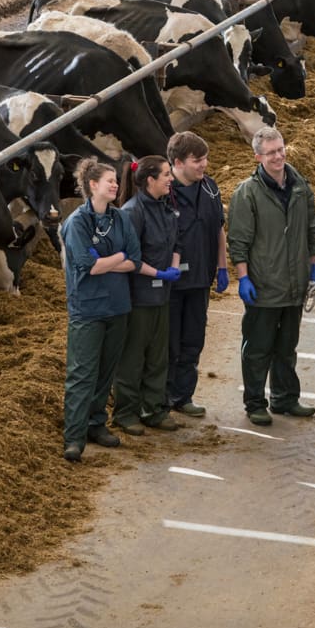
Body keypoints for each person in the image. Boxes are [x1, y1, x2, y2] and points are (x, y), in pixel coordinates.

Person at [228, 126, 315, 426]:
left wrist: (313, 266)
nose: (278, 156)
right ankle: (255, 402)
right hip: (264, 283)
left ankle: (285, 398)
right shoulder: (247, 193)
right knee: (258, 347)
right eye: (271, 153)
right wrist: (243, 278)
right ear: (258, 156)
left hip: (294, 283)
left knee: (287, 345)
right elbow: (238, 240)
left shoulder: (300, 186)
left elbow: (310, 230)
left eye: (281, 149)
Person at [61, 159, 140, 462]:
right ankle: (74, 436)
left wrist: (110, 259)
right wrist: (113, 260)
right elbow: (86, 266)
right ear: (92, 185)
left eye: (116, 181)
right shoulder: (77, 222)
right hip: (88, 309)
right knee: (82, 373)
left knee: (106, 372)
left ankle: (96, 425)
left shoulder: (120, 219)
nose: (115, 185)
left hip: (118, 307)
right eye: (109, 181)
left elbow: (134, 258)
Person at [113, 155, 183, 436]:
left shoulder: (166, 207)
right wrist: (158, 274)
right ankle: (126, 412)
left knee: (158, 355)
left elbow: (177, 241)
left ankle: (153, 409)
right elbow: (130, 257)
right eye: (166, 174)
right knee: (132, 357)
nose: (171, 178)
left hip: (162, 295)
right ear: (149, 180)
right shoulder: (133, 212)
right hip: (138, 297)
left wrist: (174, 267)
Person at [166, 132, 228, 418]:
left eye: (205, 158)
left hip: (201, 279)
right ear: (178, 162)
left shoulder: (210, 188)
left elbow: (219, 229)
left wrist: (223, 267)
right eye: (197, 160)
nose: (204, 165)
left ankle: (183, 396)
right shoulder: (163, 192)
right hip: (169, 284)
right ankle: (161, 398)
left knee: (193, 340)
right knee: (168, 343)